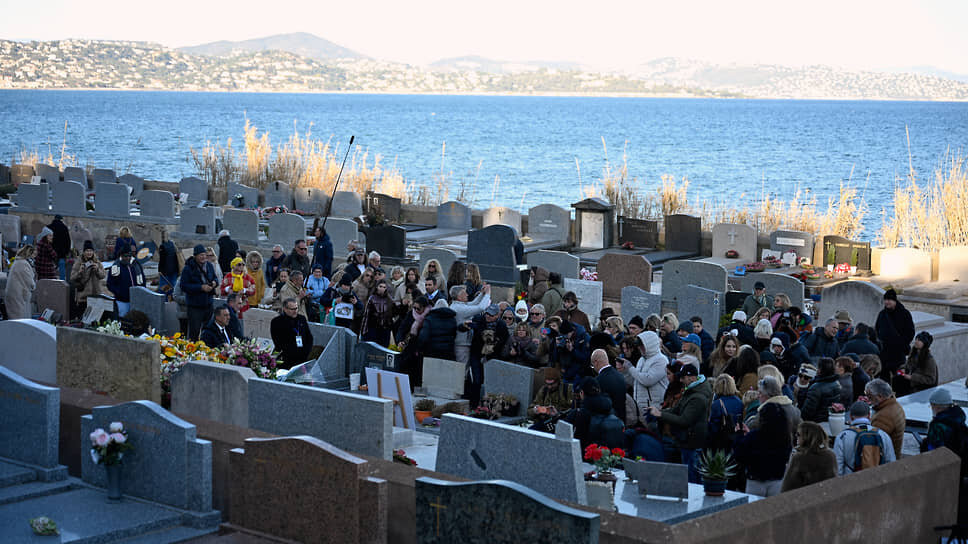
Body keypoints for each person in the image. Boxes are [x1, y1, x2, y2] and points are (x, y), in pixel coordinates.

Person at [648, 365, 712, 483]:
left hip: (692, 442)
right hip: (687, 441)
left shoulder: (697, 397)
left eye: (683, 378)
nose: (681, 380)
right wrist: (658, 412)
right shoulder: (691, 391)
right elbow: (677, 409)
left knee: (692, 481)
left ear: (691, 378)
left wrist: (660, 415)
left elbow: (684, 420)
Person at [734, 402, 791, 497]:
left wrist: (739, 436)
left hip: (755, 481)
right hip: (777, 480)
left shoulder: (754, 436)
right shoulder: (785, 438)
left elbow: (739, 454)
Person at [464, 303, 509, 407]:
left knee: (490, 381)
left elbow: (503, 341)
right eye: (487, 314)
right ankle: (474, 405)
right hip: (477, 354)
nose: (488, 316)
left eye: (491, 315)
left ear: (497, 315)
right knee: (477, 380)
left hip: (493, 356)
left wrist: (492, 347)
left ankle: (487, 405)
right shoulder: (478, 320)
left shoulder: (501, 325)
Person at [832, 401, 896, 475]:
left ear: (851, 416)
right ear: (869, 415)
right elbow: (891, 464)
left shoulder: (842, 436)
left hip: (852, 479)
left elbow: (837, 468)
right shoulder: (883, 435)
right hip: (877, 478)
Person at [620, 331, 669, 422]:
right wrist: (624, 371)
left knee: (653, 429)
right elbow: (636, 381)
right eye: (639, 345)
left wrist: (630, 367)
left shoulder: (661, 360)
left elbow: (648, 380)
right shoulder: (641, 360)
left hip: (654, 406)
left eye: (642, 345)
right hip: (640, 405)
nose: (639, 348)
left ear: (650, 345)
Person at [781, 421, 837, 492]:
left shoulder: (799, 458)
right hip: (825, 494)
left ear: (807, 437)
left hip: (804, 496)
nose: (796, 436)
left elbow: (787, 487)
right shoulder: (830, 455)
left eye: (798, 434)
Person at [180, 244, 219, 340]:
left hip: (208, 304)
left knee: (208, 331)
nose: (203, 257)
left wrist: (214, 283)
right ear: (195, 256)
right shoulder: (188, 268)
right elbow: (184, 286)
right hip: (195, 306)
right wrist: (201, 288)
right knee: (194, 332)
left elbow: (215, 278)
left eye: (204, 254)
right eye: (201, 255)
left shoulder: (209, 266)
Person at [875, 289, 915, 381]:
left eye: (889, 299)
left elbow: (910, 332)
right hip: (884, 354)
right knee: (884, 379)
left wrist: (901, 343)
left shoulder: (904, 314)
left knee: (900, 378)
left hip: (898, 354)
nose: (887, 302)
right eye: (885, 299)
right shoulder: (882, 314)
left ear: (895, 301)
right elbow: (877, 329)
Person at [573, 378, 624, 450]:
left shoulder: (583, 412)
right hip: (612, 453)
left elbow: (578, 439)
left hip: (591, 453)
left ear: (582, 393)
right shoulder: (610, 408)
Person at [747, 376, 802, 443]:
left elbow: (750, 428)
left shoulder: (766, 412)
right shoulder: (795, 410)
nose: (758, 396)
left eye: (760, 393)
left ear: (768, 394)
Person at [449, 283, 492, 365]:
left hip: (461, 343)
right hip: (461, 345)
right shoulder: (459, 308)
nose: (467, 294)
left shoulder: (457, 305)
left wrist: (482, 294)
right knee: (462, 368)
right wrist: (487, 294)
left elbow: (473, 303)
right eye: (464, 293)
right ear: (459, 297)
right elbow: (480, 308)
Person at [921, 388, 968, 462]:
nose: (931, 408)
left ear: (938, 407)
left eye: (932, 406)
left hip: (944, 464)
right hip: (960, 462)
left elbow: (933, 451)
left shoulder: (938, 425)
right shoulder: (958, 418)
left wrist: (925, 443)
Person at [864, 378, 906, 459]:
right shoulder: (895, 405)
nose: (868, 400)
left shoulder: (883, 417)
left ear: (880, 396)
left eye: (870, 397)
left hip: (884, 459)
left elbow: (872, 442)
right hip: (894, 455)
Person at [270, 298, 314, 369]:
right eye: (292, 309)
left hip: (302, 356)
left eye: (296, 308)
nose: (295, 311)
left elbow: (309, 337)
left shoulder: (301, 319)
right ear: (285, 309)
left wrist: (306, 351)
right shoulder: (277, 322)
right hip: (287, 358)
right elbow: (277, 341)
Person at [528, 367, 574, 432]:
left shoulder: (567, 389)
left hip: (563, 423)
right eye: (547, 384)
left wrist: (558, 414)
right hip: (546, 422)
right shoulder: (543, 390)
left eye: (552, 384)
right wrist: (535, 410)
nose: (549, 387)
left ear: (558, 381)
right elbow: (530, 410)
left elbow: (574, 411)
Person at [707, 374, 744, 452]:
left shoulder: (717, 404)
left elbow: (713, 427)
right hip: (736, 439)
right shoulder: (739, 402)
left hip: (721, 442)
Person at [106, 248, 146, 318]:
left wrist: (142, 292)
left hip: (136, 300)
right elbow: (110, 284)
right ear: (121, 256)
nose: (128, 258)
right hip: (122, 301)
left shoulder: (136, 265)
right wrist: (119, 292)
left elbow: (143, 280)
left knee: (136, 319)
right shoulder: (115, 267)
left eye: (129, 256)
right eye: (125, 256)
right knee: (123, 319)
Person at [800, 357, 842, 422]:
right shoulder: (836, 383)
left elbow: (807, 412)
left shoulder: (815, 388)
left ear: (820, 370)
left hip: (815, 421)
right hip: (829, 419)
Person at [591, 348, 627, 425]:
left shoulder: (598, 380)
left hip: (607, 424)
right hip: (622, 422)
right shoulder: (620, 376)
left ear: (596, 362)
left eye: (592, 365)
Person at [897, 330, 938, 396]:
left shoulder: (929, 359)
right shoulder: (914, 353)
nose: (916, 341)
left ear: (925, 343)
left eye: (919, 340)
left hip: (922, 390)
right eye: (916, 339)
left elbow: (931, 379)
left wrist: (912, 377)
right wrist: (903, 369)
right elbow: (907, 365)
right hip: (910, 385)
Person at [70, 240, 105, 311]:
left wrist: (97, 269)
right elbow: (72, 278)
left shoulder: (97, 262)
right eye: (87, 251)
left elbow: (103, 275)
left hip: (96, 295)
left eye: (91, 251)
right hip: (83, 297)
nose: (89, 253)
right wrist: (79, 272)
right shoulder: (79, 262)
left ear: (93, 252)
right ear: (84, 252)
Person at [5, 245, 36, 319]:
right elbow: (29, 281)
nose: (35, 256)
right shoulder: (23, 264)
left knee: (15, 318)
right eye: (34, 254)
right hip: (18, 295)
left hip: (14, 294)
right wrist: (34, 286)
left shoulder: (18, 262)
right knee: (19, 319)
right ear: (29, 254)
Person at [360, 279, 394, 347]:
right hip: (373, 327)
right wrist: (363, 330)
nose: (382, 289)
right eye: (380, 286)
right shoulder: (372, 298)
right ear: (376, 287)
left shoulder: (389, 299)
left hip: (385, 328)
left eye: (384, 287)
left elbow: (391, 314)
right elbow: (366, 315)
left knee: (383, 348)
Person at [156, 231, 181, 296]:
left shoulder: (162, 246)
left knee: (163, 288)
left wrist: (159, 270)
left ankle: (163, 300)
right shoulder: (173, 244)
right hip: (174, 269)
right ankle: (171, 298)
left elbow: (162, 260)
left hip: (165, 271)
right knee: (173, 287)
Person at [48, 214, 71, 280]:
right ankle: (61, 282)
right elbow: (68, 241)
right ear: (61, 220)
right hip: (62, 253)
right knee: (62, 268)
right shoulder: (64, 228)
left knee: (50, 267)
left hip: (50, 251)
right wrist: (67, 252)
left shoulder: (49, 227)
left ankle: (49, 280)